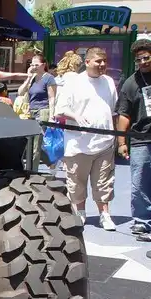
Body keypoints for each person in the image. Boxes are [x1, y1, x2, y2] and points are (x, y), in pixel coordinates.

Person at [54, 47, 117, 231]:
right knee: (77, 182)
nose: (102, 64)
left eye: (104, 61)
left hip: (104, 142)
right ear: (87, 62)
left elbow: (112, 108)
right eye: (98, 61)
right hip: (79, 144)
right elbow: (60, 110)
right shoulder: (74, 82)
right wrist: (75, 116)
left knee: (104, 182)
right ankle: (80, 212)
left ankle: (104, 214)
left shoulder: (109, 82)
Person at [117, 39, 151, 238]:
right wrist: (122, 142)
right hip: (140, 140)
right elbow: (124, 114)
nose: (143, 62)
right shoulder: (130, 83)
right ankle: (142, 221)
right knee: (139, 183)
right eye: (139, 60)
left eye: (146, 57)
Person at [17, 53, 57, 168]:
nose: (33, 67)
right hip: (31, 112)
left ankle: (32, 171)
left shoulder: (49, 78)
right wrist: (28, 77)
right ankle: (51, 162)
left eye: (36, 64)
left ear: (43, 65)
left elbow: (52, 98)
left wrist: (51, 116)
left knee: (36, 144)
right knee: (29, 142)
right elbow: (20, 92)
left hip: (43, 111)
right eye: (32, 64)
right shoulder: (32, 78)